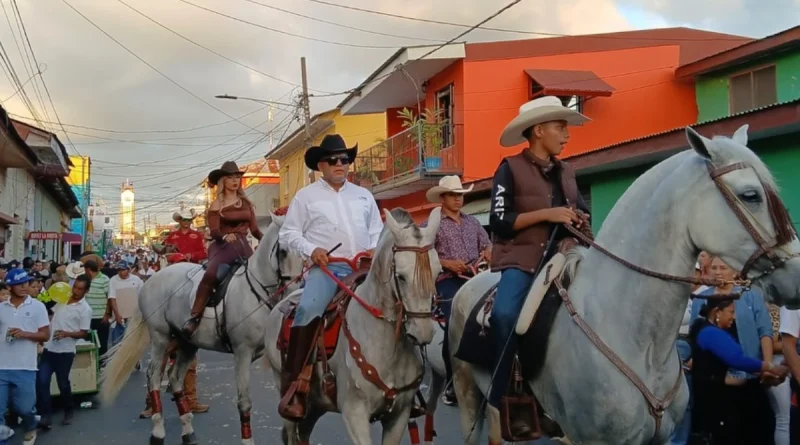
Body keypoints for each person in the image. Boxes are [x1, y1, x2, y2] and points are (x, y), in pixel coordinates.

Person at [486, 96, 591, 438]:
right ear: (538, 130)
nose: (567, 135)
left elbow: (580, 210)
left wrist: (579, 218)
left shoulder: (568, 172)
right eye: (560, 127)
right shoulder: (509, 168)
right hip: (523, 260)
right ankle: (506, 398)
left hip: (565, 256)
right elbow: (499, 222)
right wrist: (548, 214)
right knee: (505, 316)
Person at [278, 133, 383, 421]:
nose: (340, 164)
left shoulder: (364, 195)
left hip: (366, 267)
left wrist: (375, 247)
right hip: (329, 269)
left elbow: (377, 229)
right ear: (320, 165)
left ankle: (409, 384)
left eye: (345, 159)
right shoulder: (305, 197)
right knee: (308, 309)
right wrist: (311, 250)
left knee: (400, 303)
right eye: (333, 160)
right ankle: (295, 385)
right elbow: (288, 234)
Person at [691, 257, 777, 444]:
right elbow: (695, 333)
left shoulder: (750, 294)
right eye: (714, 268)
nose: (718, 272)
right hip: (717, 380)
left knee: (757, 426)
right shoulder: (701, 298)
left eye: (723, 268)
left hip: (750, 373)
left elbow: (764, 331)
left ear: (735, 271)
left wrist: (767, 365)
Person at [424, 175, 491, 406]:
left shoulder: (473, 222)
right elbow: (423, 254)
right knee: (455, 321)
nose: (458, 199)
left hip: (475, 277)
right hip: (447, 280)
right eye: (453, 195)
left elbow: (487, 244)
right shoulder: (432, 225)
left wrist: (488, 252)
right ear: (442, 198)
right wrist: (447, 263)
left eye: (460, 195)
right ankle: (452, 380)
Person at [182, 161, 263, 337]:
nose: (235, 181)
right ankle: (195, 316)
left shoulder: (247, 203)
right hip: (222, 246)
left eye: (237, 177)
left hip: (243, 246)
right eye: (230, 178)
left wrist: (268, 241)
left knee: (261, 274)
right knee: (211, 273)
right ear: (222, 181)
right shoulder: (216, 204)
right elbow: (214, 231)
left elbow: (255, 230)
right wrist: (225, 236)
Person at [0, 268, 50, 445]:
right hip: (1, 367)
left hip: (25, 366)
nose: (24, 286)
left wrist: (25, 334)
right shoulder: (1, 308)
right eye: (19, 284)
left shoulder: (37, 307)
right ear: (9, 286)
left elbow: (45, 335)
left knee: (25, 408)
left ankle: (30, 426)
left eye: (25, 283)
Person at [36, 273, 92, 429]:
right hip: (49, 348)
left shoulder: (85, 309)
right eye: (75, 287)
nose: (76, 291)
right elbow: (52, 316)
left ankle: (69, 410)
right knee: (42, 381)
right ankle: (46, 416)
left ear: (86, 291)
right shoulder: (63, 299)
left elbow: (84, 332)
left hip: (66, 352)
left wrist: (66, 334)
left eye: (80, 289)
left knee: (63, 383)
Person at [82, 259, 114, 358]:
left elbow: (109, 298)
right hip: (87, 317)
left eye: (85, 270)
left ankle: (102, 362)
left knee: (102, 342)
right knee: (87, 342)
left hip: (100, 317)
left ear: (88, 269)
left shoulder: (105, 279)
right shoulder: (85, 279)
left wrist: (107, 314)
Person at [108, 261, 143, 347]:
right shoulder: (113, 280)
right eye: (119, 270)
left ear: (128, 270)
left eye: (123, 270)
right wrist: (117, 314)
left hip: (133, 317)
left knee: (133, 343)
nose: (121, 272)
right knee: (117, 343)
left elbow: (142, 296)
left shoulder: (136, 280)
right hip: (119, 317)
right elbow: (112, 298)